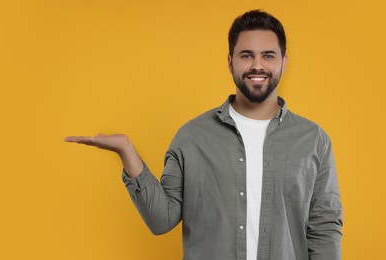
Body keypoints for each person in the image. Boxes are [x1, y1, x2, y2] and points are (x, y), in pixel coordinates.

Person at [65, 9, 343, 260]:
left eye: (268, 56)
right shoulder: (191, 137)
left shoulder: (314, 140)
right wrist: (126, 150)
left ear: (283, 62)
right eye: (246, 55)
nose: (257, 66)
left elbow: (324, 228)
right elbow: (161, 220)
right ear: (230, 61)